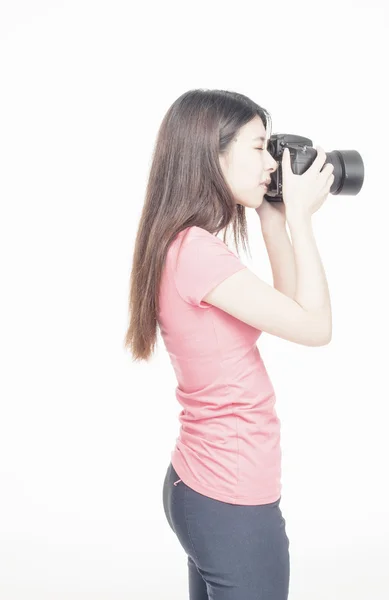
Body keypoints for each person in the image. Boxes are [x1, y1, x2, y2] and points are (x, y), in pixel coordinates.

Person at [124, 89, 334, 600]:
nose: (272, 164)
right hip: (230, 494)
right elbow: (315, 327)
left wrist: (273, 219)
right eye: (259, 148)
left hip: (205, 484)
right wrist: (303, 220)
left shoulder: (183, 243)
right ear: (212, 155)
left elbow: (290, 306)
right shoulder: (196, 251)